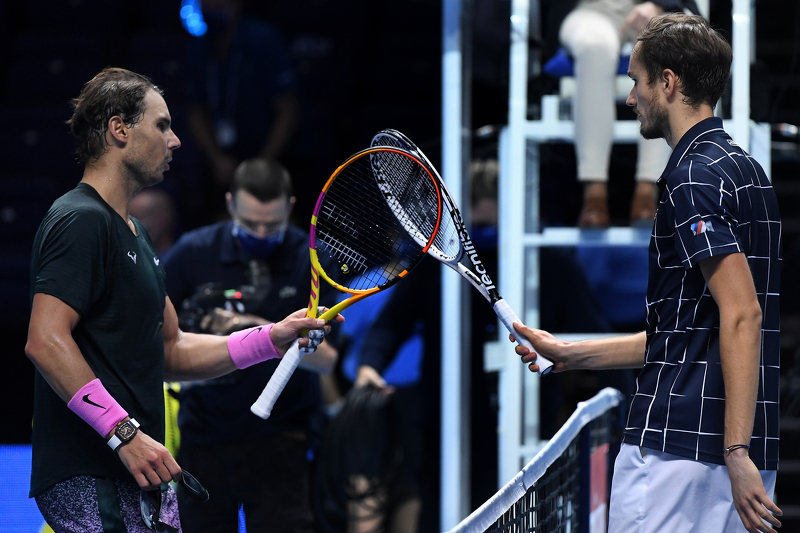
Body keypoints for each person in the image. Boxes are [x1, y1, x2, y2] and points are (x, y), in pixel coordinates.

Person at [24, 67, 337, 533]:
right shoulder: (80, 218)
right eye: (162, 125)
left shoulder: (137, 234)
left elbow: (171, 351)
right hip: (97, 470)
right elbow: (45, 340)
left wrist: (272, 337)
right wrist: (123, 433)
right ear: (119, 129)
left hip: (140, 471)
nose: (176, 141)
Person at [513, 14, 782, 533]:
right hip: (741, 456)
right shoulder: (748, 172)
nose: (631, 97)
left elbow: (743, 315)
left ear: (669, 82)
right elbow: (683, 334)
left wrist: (735, 450)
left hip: (679, 456)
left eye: (636, 81)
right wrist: (570, 354)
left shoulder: (690, 178)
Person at [160, 157, 339, 533]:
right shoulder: (192, 252)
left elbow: (327, 361)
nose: (261, 233)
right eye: (250, 224)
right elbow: (152, 338)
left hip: (283, 437)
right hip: (204, 435)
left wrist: (258, 329)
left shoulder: (314, 260)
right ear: (229, 205)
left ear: (290, 208)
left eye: (271, 225)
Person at [557, 0, 699, 227]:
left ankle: (647, 192)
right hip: (590, 9)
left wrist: (660, 4)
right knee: (594, 46)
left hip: (652, 8)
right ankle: (594, 193)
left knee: (663, 45)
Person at [184, 0, 299, 225]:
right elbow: (195, 111)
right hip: (222, 162)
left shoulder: (263, 39)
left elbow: (288, 110)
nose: (211, 12)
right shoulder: (198, 48)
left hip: (271, 157)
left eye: (218, 7)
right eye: (206, 8)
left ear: (236, 5)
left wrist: (262, 164)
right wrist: (215, 157)